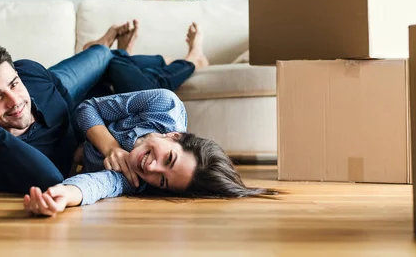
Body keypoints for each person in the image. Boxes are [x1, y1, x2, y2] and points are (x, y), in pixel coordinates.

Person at [0, 20, 209, 194]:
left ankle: (108, 49)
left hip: (61, 90)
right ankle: (186, 59)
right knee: (122, 70)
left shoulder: (29, 75)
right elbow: (50, 180)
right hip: (90, 105)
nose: (15, 101)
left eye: (13, 83)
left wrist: (103, 142)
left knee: (105, 58)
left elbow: (67, 97)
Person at [22, 89, 277, 217]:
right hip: (93, 96)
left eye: (163, 180)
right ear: (175, 135)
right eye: (169, 159)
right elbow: (87, 108)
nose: (152, 169)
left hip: (67, 138)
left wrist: (64, 195)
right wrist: (110, 147)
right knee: (94, 60)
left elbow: (99, 184)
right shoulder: (164, 105)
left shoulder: (137, 180)